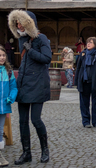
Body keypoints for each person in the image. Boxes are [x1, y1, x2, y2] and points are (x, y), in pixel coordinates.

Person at [8, 10, 52, 164]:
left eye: (20, 22)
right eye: (16, 23)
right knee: (22, 121)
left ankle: (45, 150)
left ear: (29, 22)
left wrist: (31, 50)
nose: (18, 25)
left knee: (36, 120)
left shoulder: (41, 38)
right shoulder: (22, 39)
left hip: (38, 84)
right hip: (24, 84)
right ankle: (26, 153)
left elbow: (47, 59)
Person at [74, 37, 96, 128]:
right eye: (87, 42)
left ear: (95, 44)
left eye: (91, 42)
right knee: (84, 103)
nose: (88, 44)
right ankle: (86, 121)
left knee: (95, 103)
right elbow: (79, 69)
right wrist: (76, 81)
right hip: (84, 82)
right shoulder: (83, 54)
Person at [0, 45, 18, 166]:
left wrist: (11, 97)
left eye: (3, 55)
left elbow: (13, 87)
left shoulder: (9, 71)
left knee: (0, 131)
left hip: (3, 106)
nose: (2, 57)